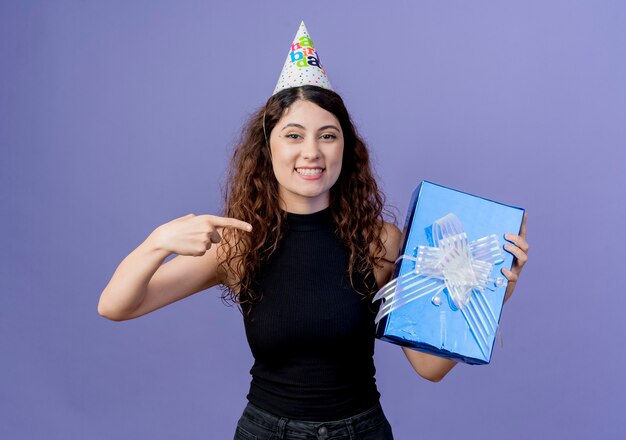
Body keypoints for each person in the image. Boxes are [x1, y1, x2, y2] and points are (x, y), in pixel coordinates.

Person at [98, 22, 529, 440]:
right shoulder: (239, 245)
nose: (312, 152)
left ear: (346, 148)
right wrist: (156, 244)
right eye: (293, 135)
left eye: (327, 135)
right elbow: (116, 306)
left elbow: (429, 367)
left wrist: (492, 291)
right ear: (267, 149)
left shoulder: (380, 242)